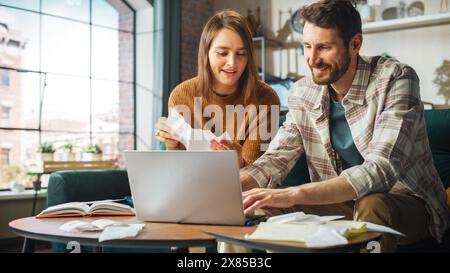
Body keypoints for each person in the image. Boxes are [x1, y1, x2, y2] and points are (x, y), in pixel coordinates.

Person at [239, 0, 450, 252]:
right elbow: (276, 159)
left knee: (372, 205)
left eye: (324, 47)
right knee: (258, 203)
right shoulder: (302, 92)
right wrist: (229, 188)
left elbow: (380, 170)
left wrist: (295, 193)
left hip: (405, 202)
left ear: (355, 44)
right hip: (339, 203)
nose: (312, 59)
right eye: (306, 46)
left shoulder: (395, 78)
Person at [155, 9, 280, 190]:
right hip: (194, 191)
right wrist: (171, 142)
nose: (232, 63)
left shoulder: (266, 98)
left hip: (247, 195)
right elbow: (179, 170)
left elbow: (259, 175)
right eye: (222, 53)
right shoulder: (181, 96)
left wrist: (237, 162)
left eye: (241, 54)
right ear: (206, 53)